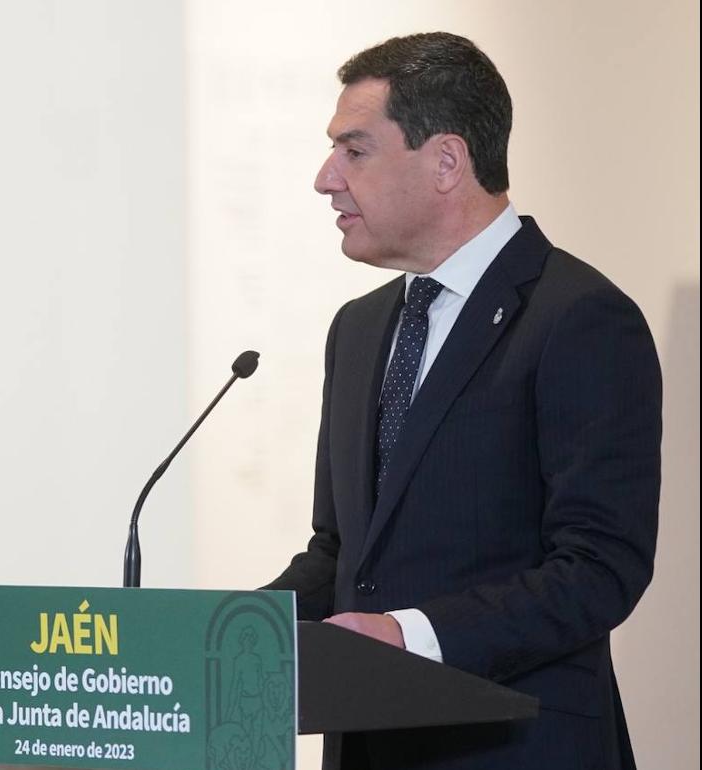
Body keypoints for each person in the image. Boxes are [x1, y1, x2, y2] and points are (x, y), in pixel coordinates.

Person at [262, 32, 660, 769]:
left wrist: (410, 638)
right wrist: (220, 632)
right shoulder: (358, 329)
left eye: (355, 151)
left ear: (446, 161)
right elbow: (340, 556)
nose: (326, 178)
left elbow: (599, 569)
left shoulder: (579, 318)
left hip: (515, 748)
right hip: (368, 747)